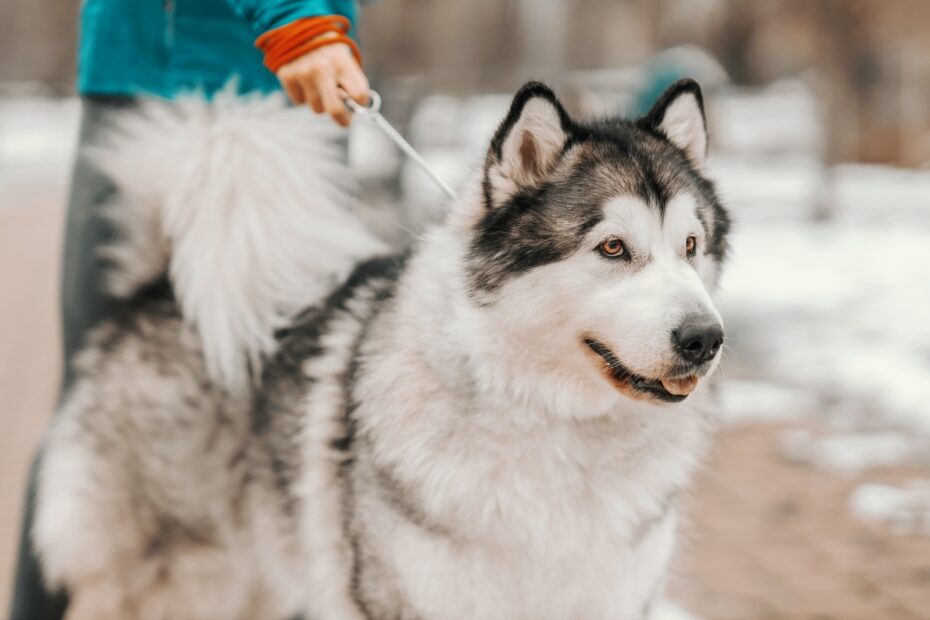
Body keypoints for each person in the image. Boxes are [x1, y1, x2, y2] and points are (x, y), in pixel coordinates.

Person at [9, 2, 371, 618]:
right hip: (179, 67)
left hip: (308, 82)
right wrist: (294, 16)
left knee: (302, 417)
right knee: (105, 405)